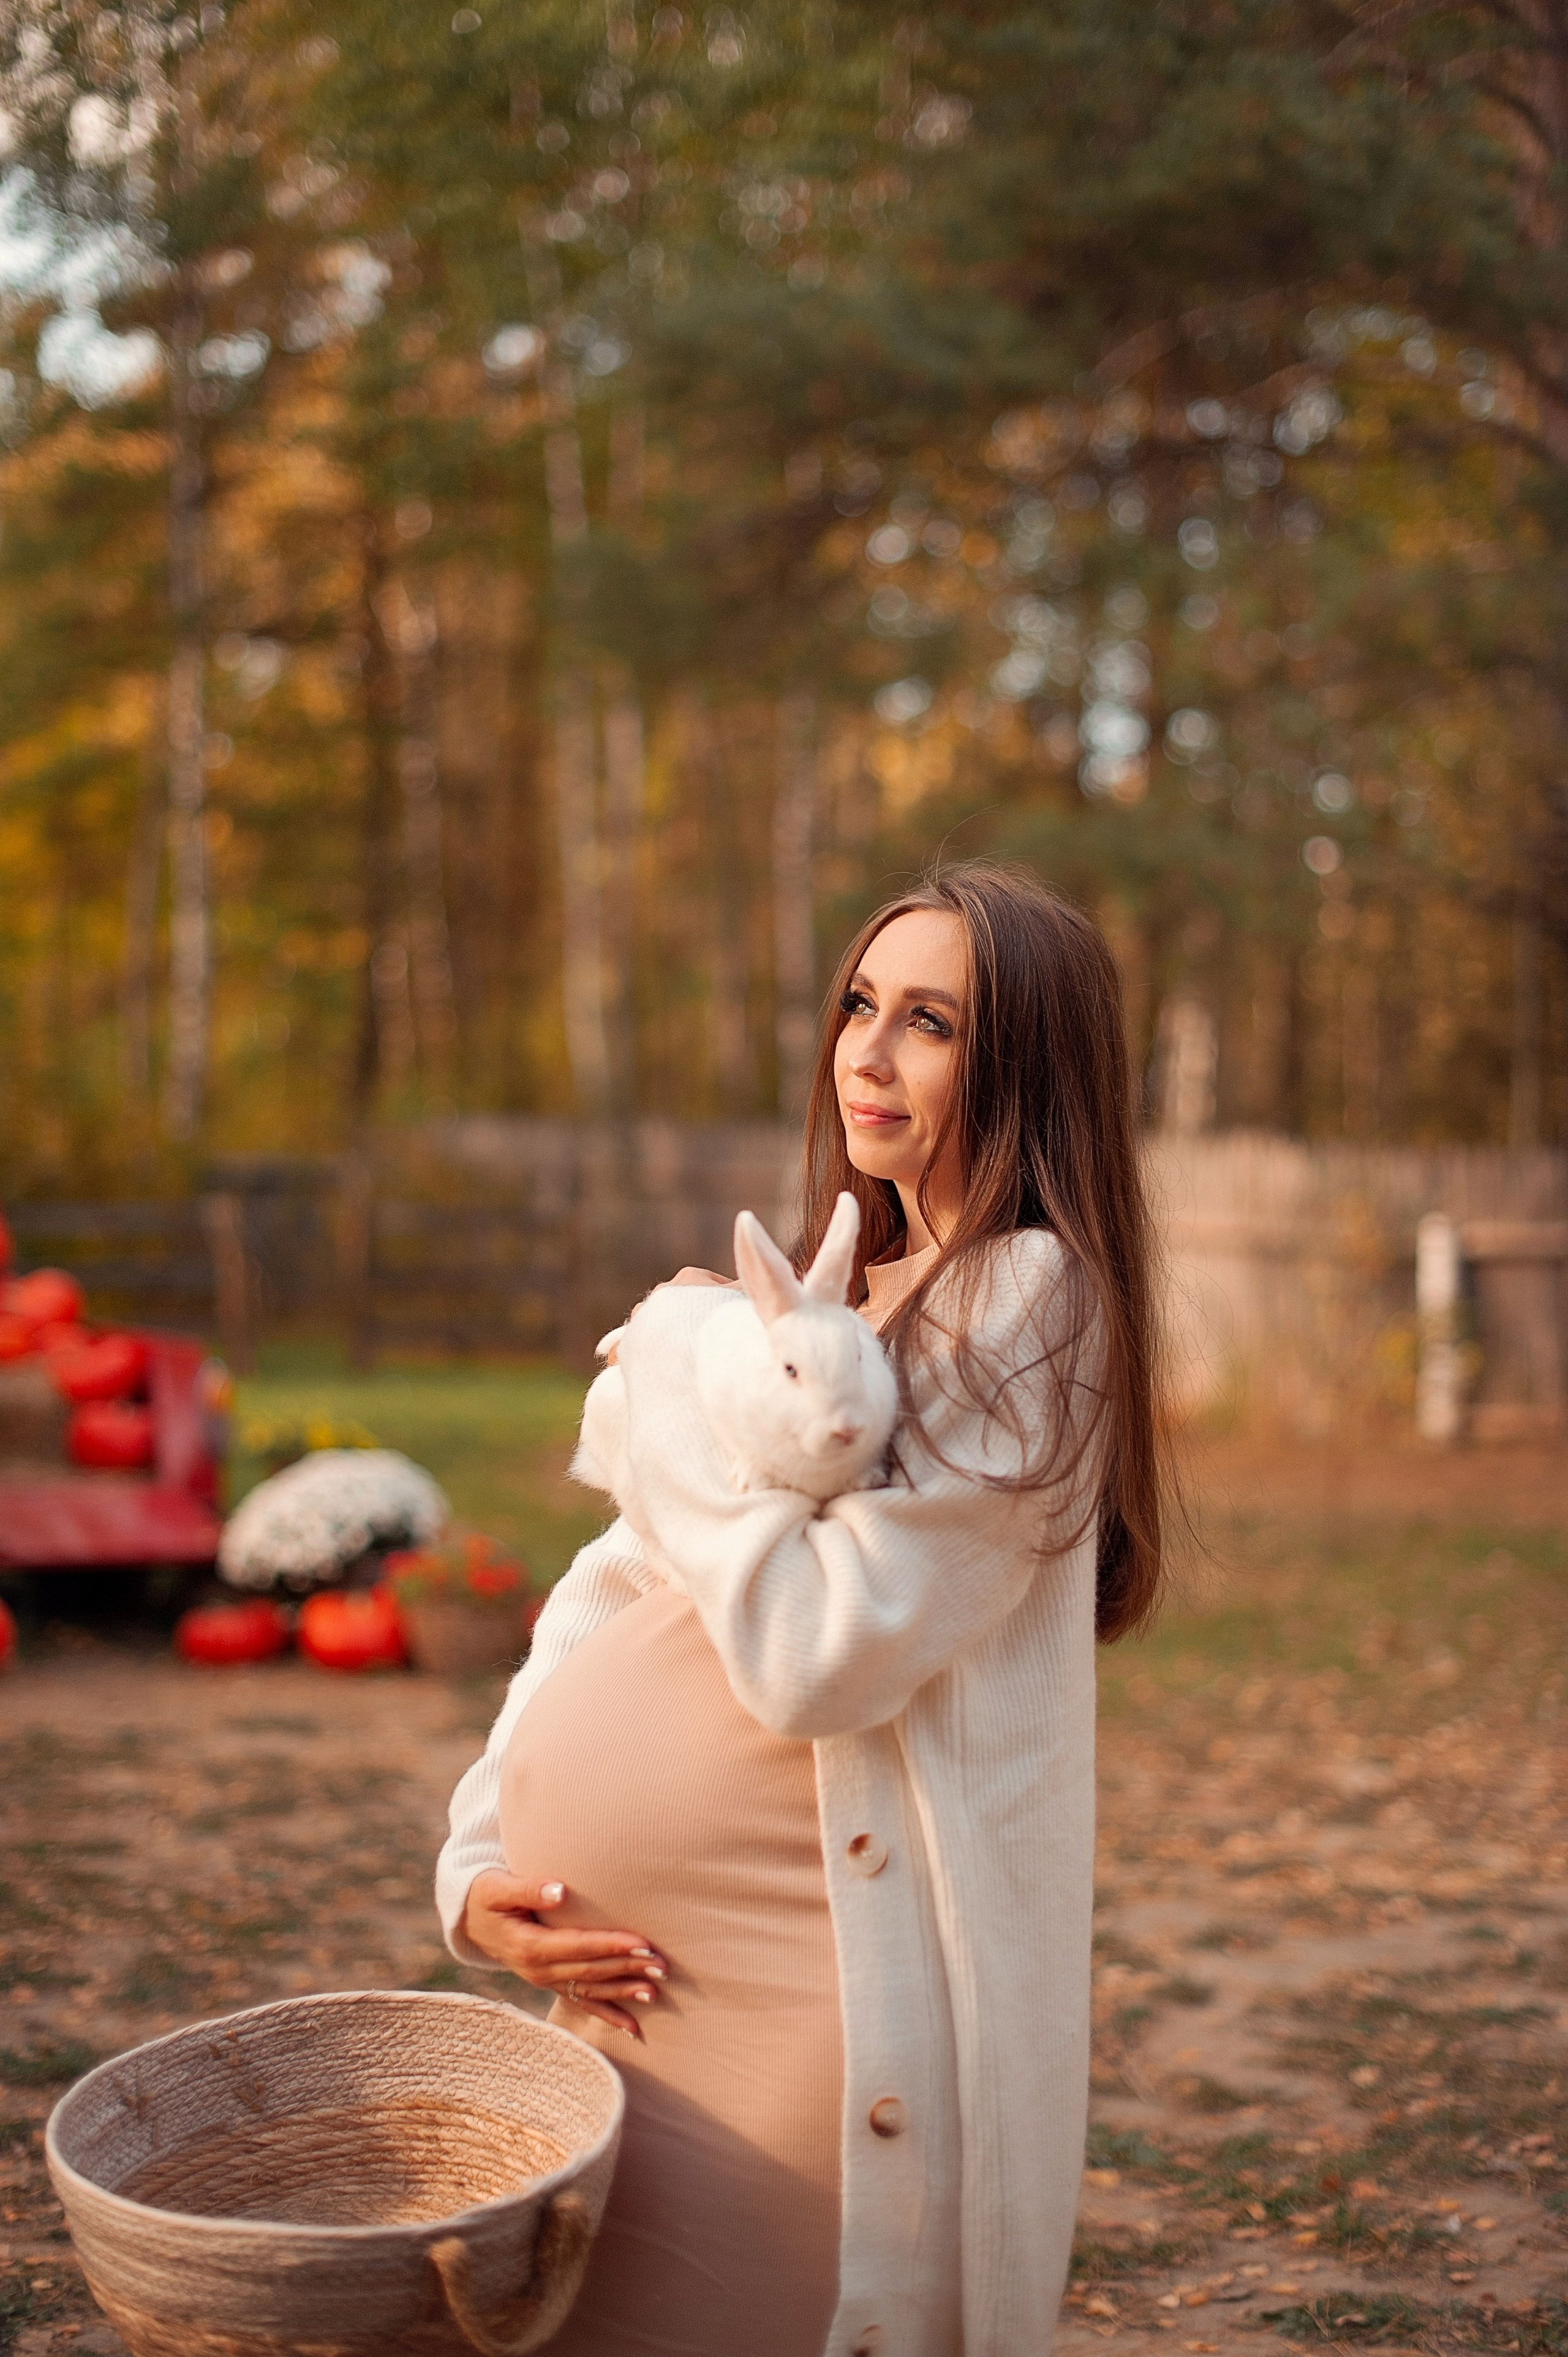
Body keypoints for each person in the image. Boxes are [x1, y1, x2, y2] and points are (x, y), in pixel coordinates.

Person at [435, 861, 1165, 2357]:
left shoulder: (1033, 1302)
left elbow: (817, 1650)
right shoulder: (841, 1305)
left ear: (1020, 1065)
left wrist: (658, 1395)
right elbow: (615, 1585)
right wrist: (481, 1854)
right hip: (630, 1993)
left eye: (929, 1022)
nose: (867, 1052)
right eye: (856, 1004)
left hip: (811, 2012)